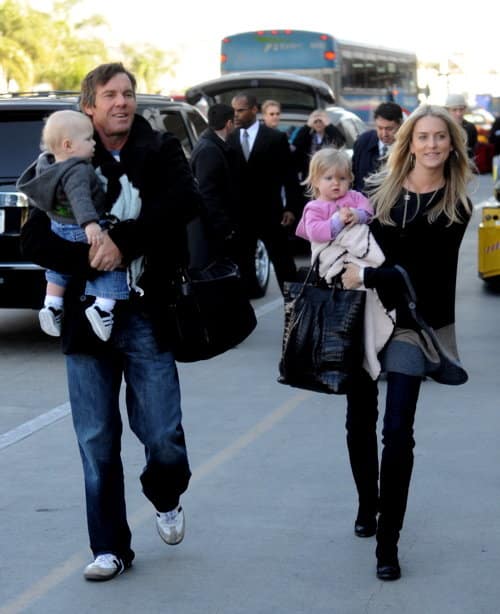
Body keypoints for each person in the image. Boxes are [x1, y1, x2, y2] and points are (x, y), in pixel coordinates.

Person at [20, 62, 203, 581]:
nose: (122, 102)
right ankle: (110, 547)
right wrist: (91, 259)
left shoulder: (160, 149)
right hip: (85, 320)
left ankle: (165, 494)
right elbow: (34, 239)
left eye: (128, 93)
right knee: (97, 439)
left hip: (146, 312)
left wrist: (122, 245)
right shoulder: (59, 157)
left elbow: (183, 204)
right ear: (89, 106)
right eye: (110, 95)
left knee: (162, 435)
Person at [341, 104, 473, 581]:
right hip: (364, 319)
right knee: (360, 420)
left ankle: (387, 543)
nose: (433, 145)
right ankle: (367, 503)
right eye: (424, 137)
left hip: (415, 325)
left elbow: (427, 275)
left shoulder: (456, 203)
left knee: (397, 430)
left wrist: (372, 274)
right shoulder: (377, 192)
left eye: (441, 137)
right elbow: (345, 240)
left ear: (452, 145)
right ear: (409, 143)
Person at [17, 110, 137, 342]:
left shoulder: (46, 167)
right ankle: (102, 308)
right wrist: (91, 224)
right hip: (82, 226)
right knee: (111, 264)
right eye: (89, 139)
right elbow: (81, 199)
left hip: (57, 226)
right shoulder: (78, 169)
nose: (94, 144)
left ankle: (51, 305)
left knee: (58, 270)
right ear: (69, 145)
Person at [228, 90, 302, 294]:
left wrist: (291, 208)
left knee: (283, 265)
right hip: (241, 216)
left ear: (254, 110)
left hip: (270, 213)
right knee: (243, 266)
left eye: (241, 110)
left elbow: (290, 176)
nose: (235, 115)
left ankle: (295, 309)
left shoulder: (275, 138)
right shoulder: (230, 138)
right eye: (233, 110)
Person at [190, 103, 240, 260]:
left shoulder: (212, 144)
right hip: (212, 230)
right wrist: (224, 227)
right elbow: (208, 193)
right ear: (229, 123)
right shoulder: (209, 150)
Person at [295, 148, 373, 243]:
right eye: (329, 178)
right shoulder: (314, 207)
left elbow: (368, 209)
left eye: (342, 178)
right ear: (315, 181)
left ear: (350, 179)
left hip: (359, 247)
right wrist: (337, 221)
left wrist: (357, 215)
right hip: (332, 251)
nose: (336, 183)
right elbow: (314, 232)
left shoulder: (354, 196)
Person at [352, 102, 403, 193]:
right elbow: (353, 176)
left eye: (389, 129)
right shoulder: (362, 142)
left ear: (400, 125)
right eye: (380, 128)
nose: (384, 134)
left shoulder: (408, 147)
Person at [292, 109, 346, 185]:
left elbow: (340, 142)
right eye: (315, 121)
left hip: (328, 173)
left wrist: (329, 125)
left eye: (321, 121)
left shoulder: (331, 135)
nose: (318, 124)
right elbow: (297, 144)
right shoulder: (307, 135)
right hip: (310, 175)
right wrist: (307, 126)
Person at [445, 93, 478, 159]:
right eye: (454, 110)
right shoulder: (443, 127)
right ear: (447, 110)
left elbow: (472, 151)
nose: (458, 113)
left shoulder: (470, 128)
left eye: (461, 109)